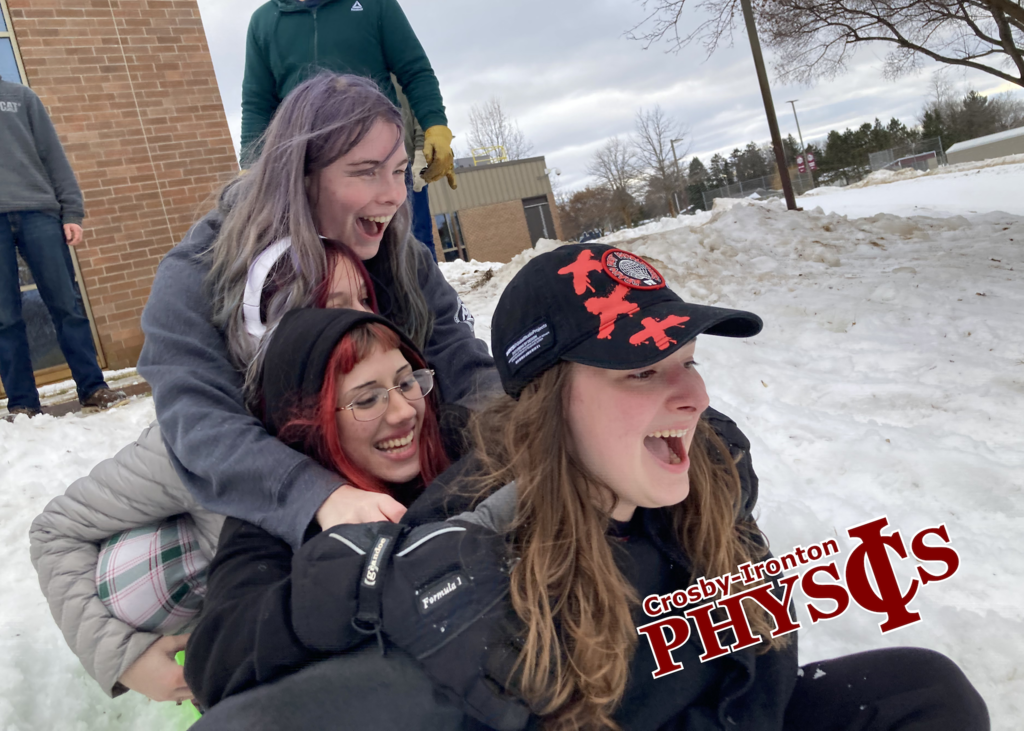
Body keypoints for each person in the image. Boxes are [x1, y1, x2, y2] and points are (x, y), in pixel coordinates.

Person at [187, 244, 988, 731]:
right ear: (308, 417)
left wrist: (709, 459)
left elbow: (758, 633)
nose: (401, 410)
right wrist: (352, 583)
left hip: (696, 682)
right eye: (364, 398)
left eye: (409, 383)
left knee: (923, 691)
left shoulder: (479, 448)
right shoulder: (294, 521)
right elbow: (229, 665)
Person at [138, 72, 497, 555]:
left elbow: (457, 357)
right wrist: (316, 495)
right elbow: (199, 421)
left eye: (398, 171)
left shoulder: (398, 252)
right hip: (253, 488)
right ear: (301, 177)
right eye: (367, 171)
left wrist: (514, 430)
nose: (393, 195)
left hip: (377, 462)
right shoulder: (198, 273)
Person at [29, 243, 379, 704]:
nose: (363, 321)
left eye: (365, 301)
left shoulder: (403, 405)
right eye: (333, 306)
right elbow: (55, 531)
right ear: (271, 330)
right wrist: (122, 658)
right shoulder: (205, 445)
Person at [242, 0, 457, 255]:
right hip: (309, 173)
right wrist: (252, 166)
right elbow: (257, 104)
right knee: (328, 264)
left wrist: (435, 126)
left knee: (409, 254)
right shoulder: (264, 23)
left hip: (382, 163)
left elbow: (415, 71)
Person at [0, 75, 126, 416]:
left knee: (66, 305)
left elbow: (52, 155)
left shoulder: (21, 97)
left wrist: (72, 210)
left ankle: (93, 387)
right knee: (4, 318)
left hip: (38, 212)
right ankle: (23, 403)